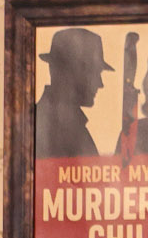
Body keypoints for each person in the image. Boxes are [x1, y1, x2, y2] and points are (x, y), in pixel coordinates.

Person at [30, 27, 106, 161]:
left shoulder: (66, 125)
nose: (100, 84)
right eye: (94, 73)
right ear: (70, 72)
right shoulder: (45, 127)